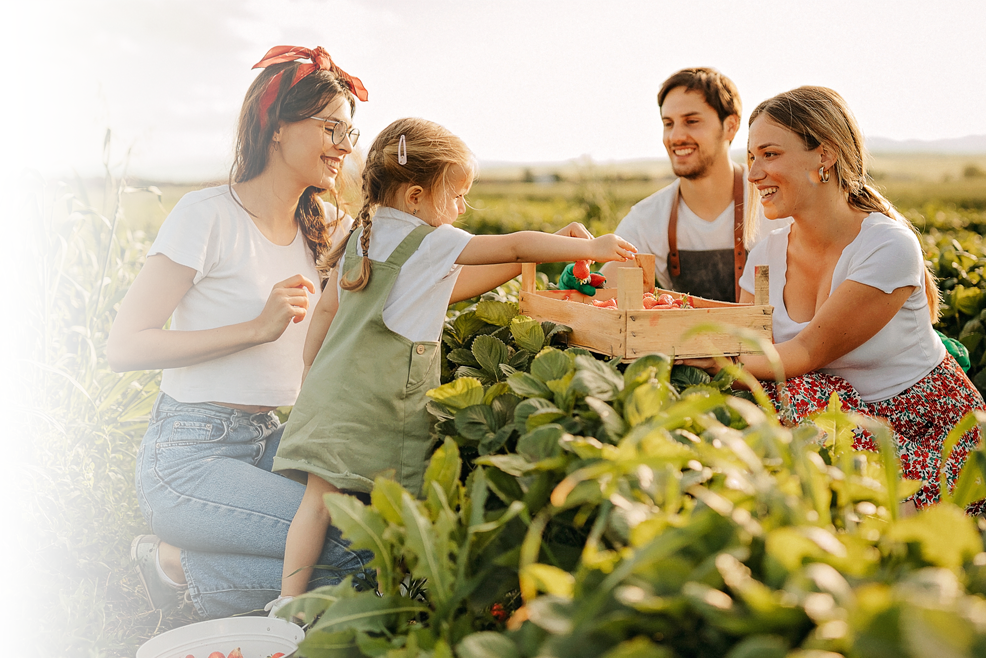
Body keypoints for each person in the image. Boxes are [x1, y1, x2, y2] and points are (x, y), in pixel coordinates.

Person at [265, 117, 638, 613]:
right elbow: (510, 244)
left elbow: (335, 309)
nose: (462, 208)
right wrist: (585, 247)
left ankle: (286, 604)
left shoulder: (365, 235)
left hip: (332, 396)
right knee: (396, 510)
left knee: (317, 503)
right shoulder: (428, 241)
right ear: (417, 196)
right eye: (458, 195)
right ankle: (395, 602)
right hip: (381, 405)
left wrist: (312, 373)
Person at [106, 45, 374, 619]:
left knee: (377, 535)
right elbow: (124, 346)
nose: (344, 146)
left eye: (351, 133)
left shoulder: (324, 226)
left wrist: (552, 250)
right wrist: (254, 329)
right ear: (277, 128)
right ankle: (174, 567)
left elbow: (423, 263)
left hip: (275, 441)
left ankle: (186, 566)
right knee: (352, 557)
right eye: (331, 127)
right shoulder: (206, 215)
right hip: (189, 456)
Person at [695, 85, 984, 513]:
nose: (753, 174)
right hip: (838, 424)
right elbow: (746, 351)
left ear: (824, 157)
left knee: (793, 389)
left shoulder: (887, 246)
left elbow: (805, 351)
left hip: (930, 428)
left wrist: (706, 357)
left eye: (770, 154)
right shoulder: (766, 257)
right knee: (778, 396)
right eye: (751, 157)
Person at [600, 67, 784, 302]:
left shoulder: (774, 203)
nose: (676, 136)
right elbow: (604, 292)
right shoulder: (646, 220)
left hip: (772, 340)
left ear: (731, 126)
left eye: (692, 121)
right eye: (668, 123)